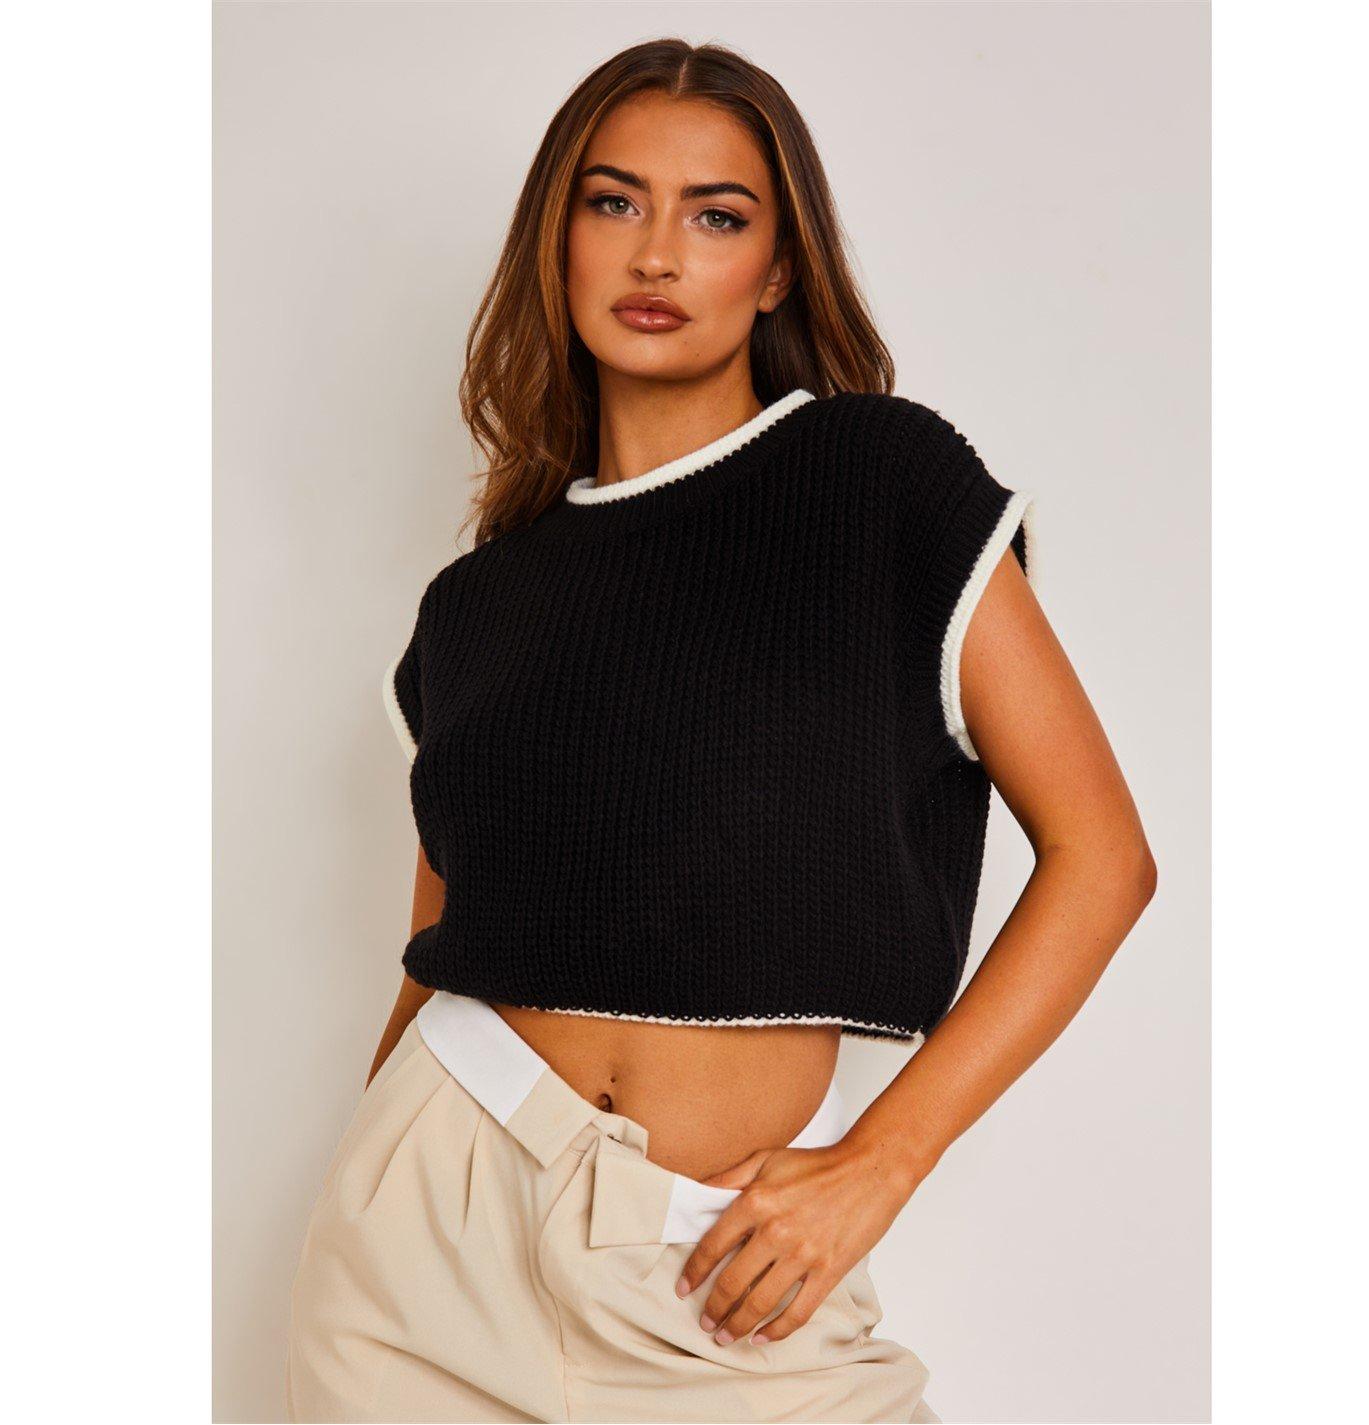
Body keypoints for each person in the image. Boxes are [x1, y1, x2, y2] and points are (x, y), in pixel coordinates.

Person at [285, 36, 1156, 1425]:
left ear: (778, 270)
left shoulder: (883, 486)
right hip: (421, 1255)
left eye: (716, 216)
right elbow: (433, 944)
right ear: (558, 237)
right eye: (613, 202)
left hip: (722, 1270)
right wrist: (367, 1179)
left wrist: (881, 1162)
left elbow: (1103, 858)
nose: (656, 254)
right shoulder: (476, 605)